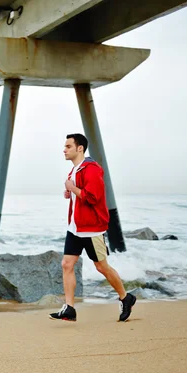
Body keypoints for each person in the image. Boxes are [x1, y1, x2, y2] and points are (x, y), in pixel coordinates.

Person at [49, 133, 136, 322]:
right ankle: (69, 308)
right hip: (75, 227)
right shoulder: (74, 171)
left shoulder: (92, 169)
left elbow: (93, 197)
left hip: (92, 229)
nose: (64, 150)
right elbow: (80, 194)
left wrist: (72, 189)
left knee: (101, 267)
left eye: (68, 146)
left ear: (80, 148)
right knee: (67, 264)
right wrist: (70, 192)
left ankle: (125, 297)